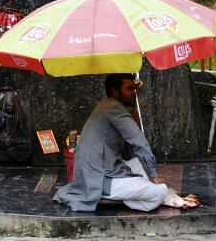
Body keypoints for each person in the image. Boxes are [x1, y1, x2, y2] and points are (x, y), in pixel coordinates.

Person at [53, 73, 169, 212]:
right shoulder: (113, 107)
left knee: (138, 163)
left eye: (134, 89)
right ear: (115, 91)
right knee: (161, 191)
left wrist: (135, 124)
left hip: (101, 170)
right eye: (129, 89)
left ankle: (129, 193)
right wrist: (153, 175)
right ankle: (113, 195)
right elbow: (138, 141)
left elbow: (127, 155)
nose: (134, 93)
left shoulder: (107, 106)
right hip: (99, 178)